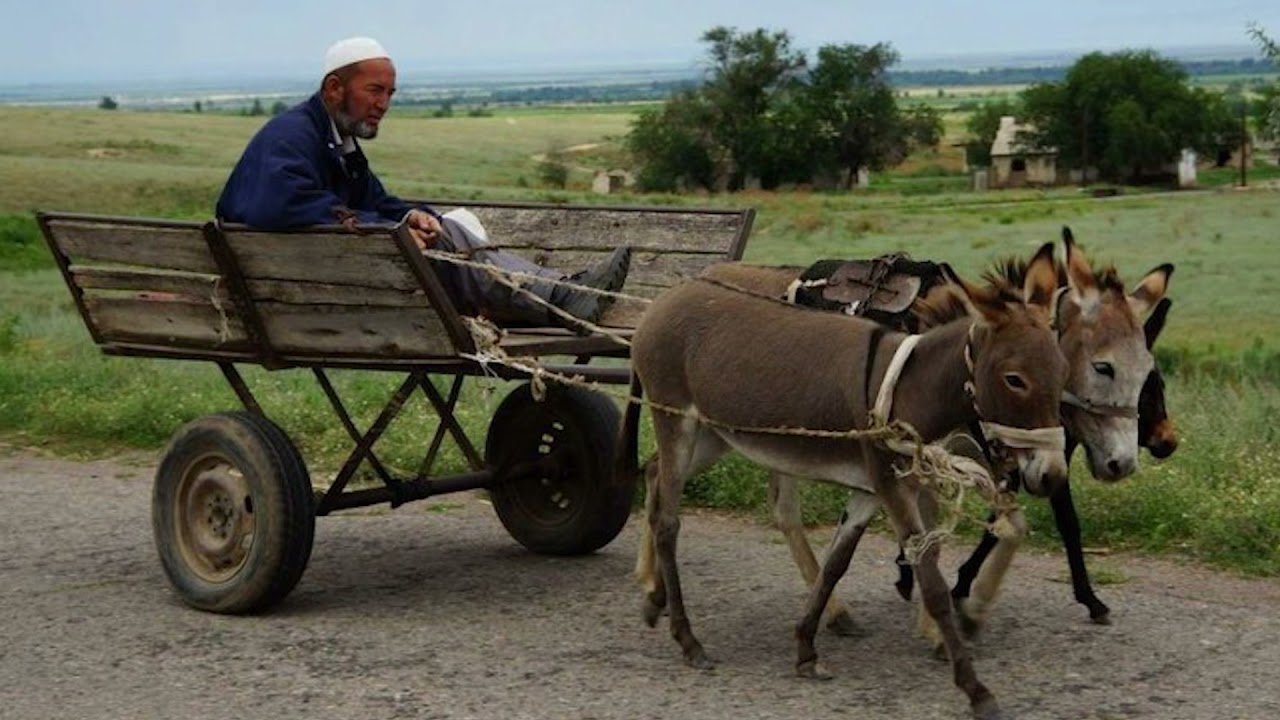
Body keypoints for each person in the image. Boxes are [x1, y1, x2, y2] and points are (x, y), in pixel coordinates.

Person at [215, 36, 630, 329]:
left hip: (327, 279)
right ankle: (560, 297)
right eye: (374, 90)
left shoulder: (336, 140)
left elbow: (374, 200)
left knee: (443, 228)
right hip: (301, 293)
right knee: (446, 239)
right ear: (334, 88)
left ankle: (557, 294)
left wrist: (412, 216)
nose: (384, 104)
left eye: (391, 93)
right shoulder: (292, 136)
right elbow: (282, 204)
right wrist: (386, 232)